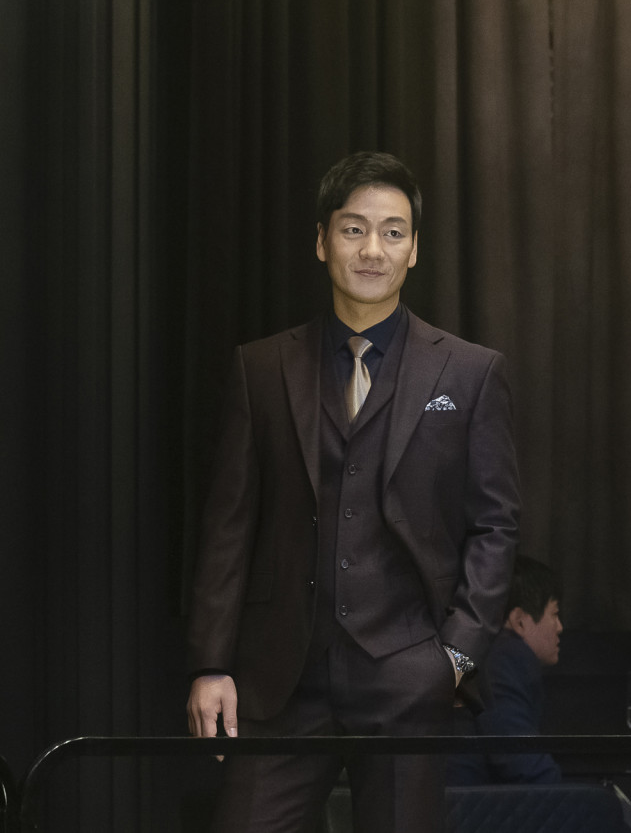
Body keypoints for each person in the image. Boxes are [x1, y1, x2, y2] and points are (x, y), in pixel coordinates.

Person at [185, 151, 520, 832]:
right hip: (281, 676)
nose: (373, 249)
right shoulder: (262, 367)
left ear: (414, 250)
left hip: (408, 674)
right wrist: (212, 663)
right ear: (322, 240)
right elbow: (229, 526)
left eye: (393, 232)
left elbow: (496, 525)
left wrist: (455, 656)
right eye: (353, 229)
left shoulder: (471, 372)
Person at [447, 555, 564, 785]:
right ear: (519, 621)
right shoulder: (506, 656)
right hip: (472, 802)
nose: (560, 627)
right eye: (555, 614)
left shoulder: (483, 653)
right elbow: (522, 762)